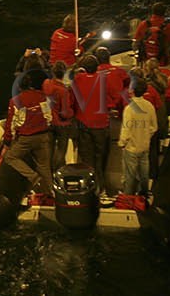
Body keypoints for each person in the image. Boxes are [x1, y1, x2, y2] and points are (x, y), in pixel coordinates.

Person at [71, 55, 123, 196]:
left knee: (87, 160)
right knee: (100, 159)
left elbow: (72, 100)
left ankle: (89, 190)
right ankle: (101, 189)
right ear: (97, 67)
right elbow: (118, 96)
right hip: (101, 124)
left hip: (83, 124)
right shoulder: (103, 80)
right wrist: (109, 106)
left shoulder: (77, 80)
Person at [3, 67, 55, 205]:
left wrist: (7, 141)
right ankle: (50, 194)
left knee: (10, 157)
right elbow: (49, 117)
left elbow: (12, 123)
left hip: (26, 139)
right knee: (44, 166)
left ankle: (33, 178)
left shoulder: (16, 101)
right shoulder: (44, 97)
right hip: (44, 136)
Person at [119, 77, 157, 199]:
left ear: (132, 90)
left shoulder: (130, 108)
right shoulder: (149, 106)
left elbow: (126, 129)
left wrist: (122, 142)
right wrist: (146, 135)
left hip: (131, 147)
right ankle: (144, 195)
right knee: (144, 173)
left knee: (130, 174)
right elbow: (154, 127)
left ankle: (128, 197)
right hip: (145, 145)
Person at [43, 61, 75, 168]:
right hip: (60, 124)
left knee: (50, 149)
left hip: (48, 122)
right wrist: (72, 112)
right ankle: (57, 169)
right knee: (61, 149)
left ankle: (48, 171)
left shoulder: (46, 84)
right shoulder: (63, 91)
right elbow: (65, 113)